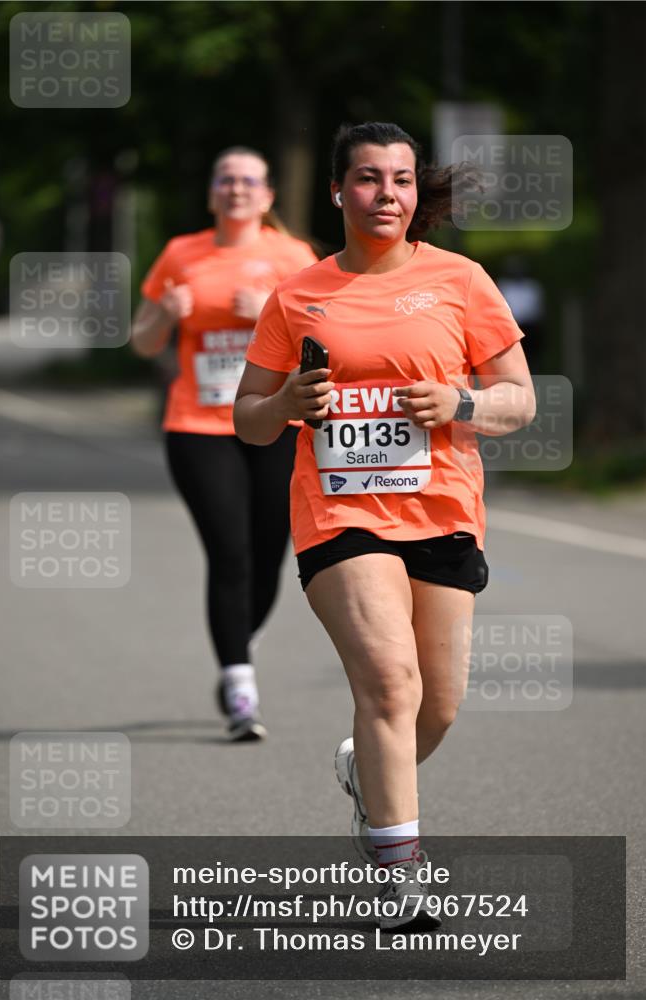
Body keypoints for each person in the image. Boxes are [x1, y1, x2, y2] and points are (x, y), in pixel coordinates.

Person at [234, 122, 535, 928]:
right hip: (340, 511)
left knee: (436, 703)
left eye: (400, 180)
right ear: (338, 190)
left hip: (440, 507)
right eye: (367, 179)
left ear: (415, 193)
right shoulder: (297, 293)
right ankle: (400, 873)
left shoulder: (461, 281)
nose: (385, 195)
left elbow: (519, 399)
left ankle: (361, 770)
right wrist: (286, 404)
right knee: (389, 685)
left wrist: (459, 402)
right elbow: (249, 420)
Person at [131, 147, 317, 741]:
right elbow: (141, 341)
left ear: (266, 198)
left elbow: (326, 331)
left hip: (274, 421)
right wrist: (165, 313)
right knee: (229, 552)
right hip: (199, 424)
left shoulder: (293, 257)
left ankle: (236, 635)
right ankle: (239, 684)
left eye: (249, 181)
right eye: (226, 180)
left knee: (268, 554)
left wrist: (268, 310)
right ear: (213, 194)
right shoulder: (181, 254)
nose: (236, 189)